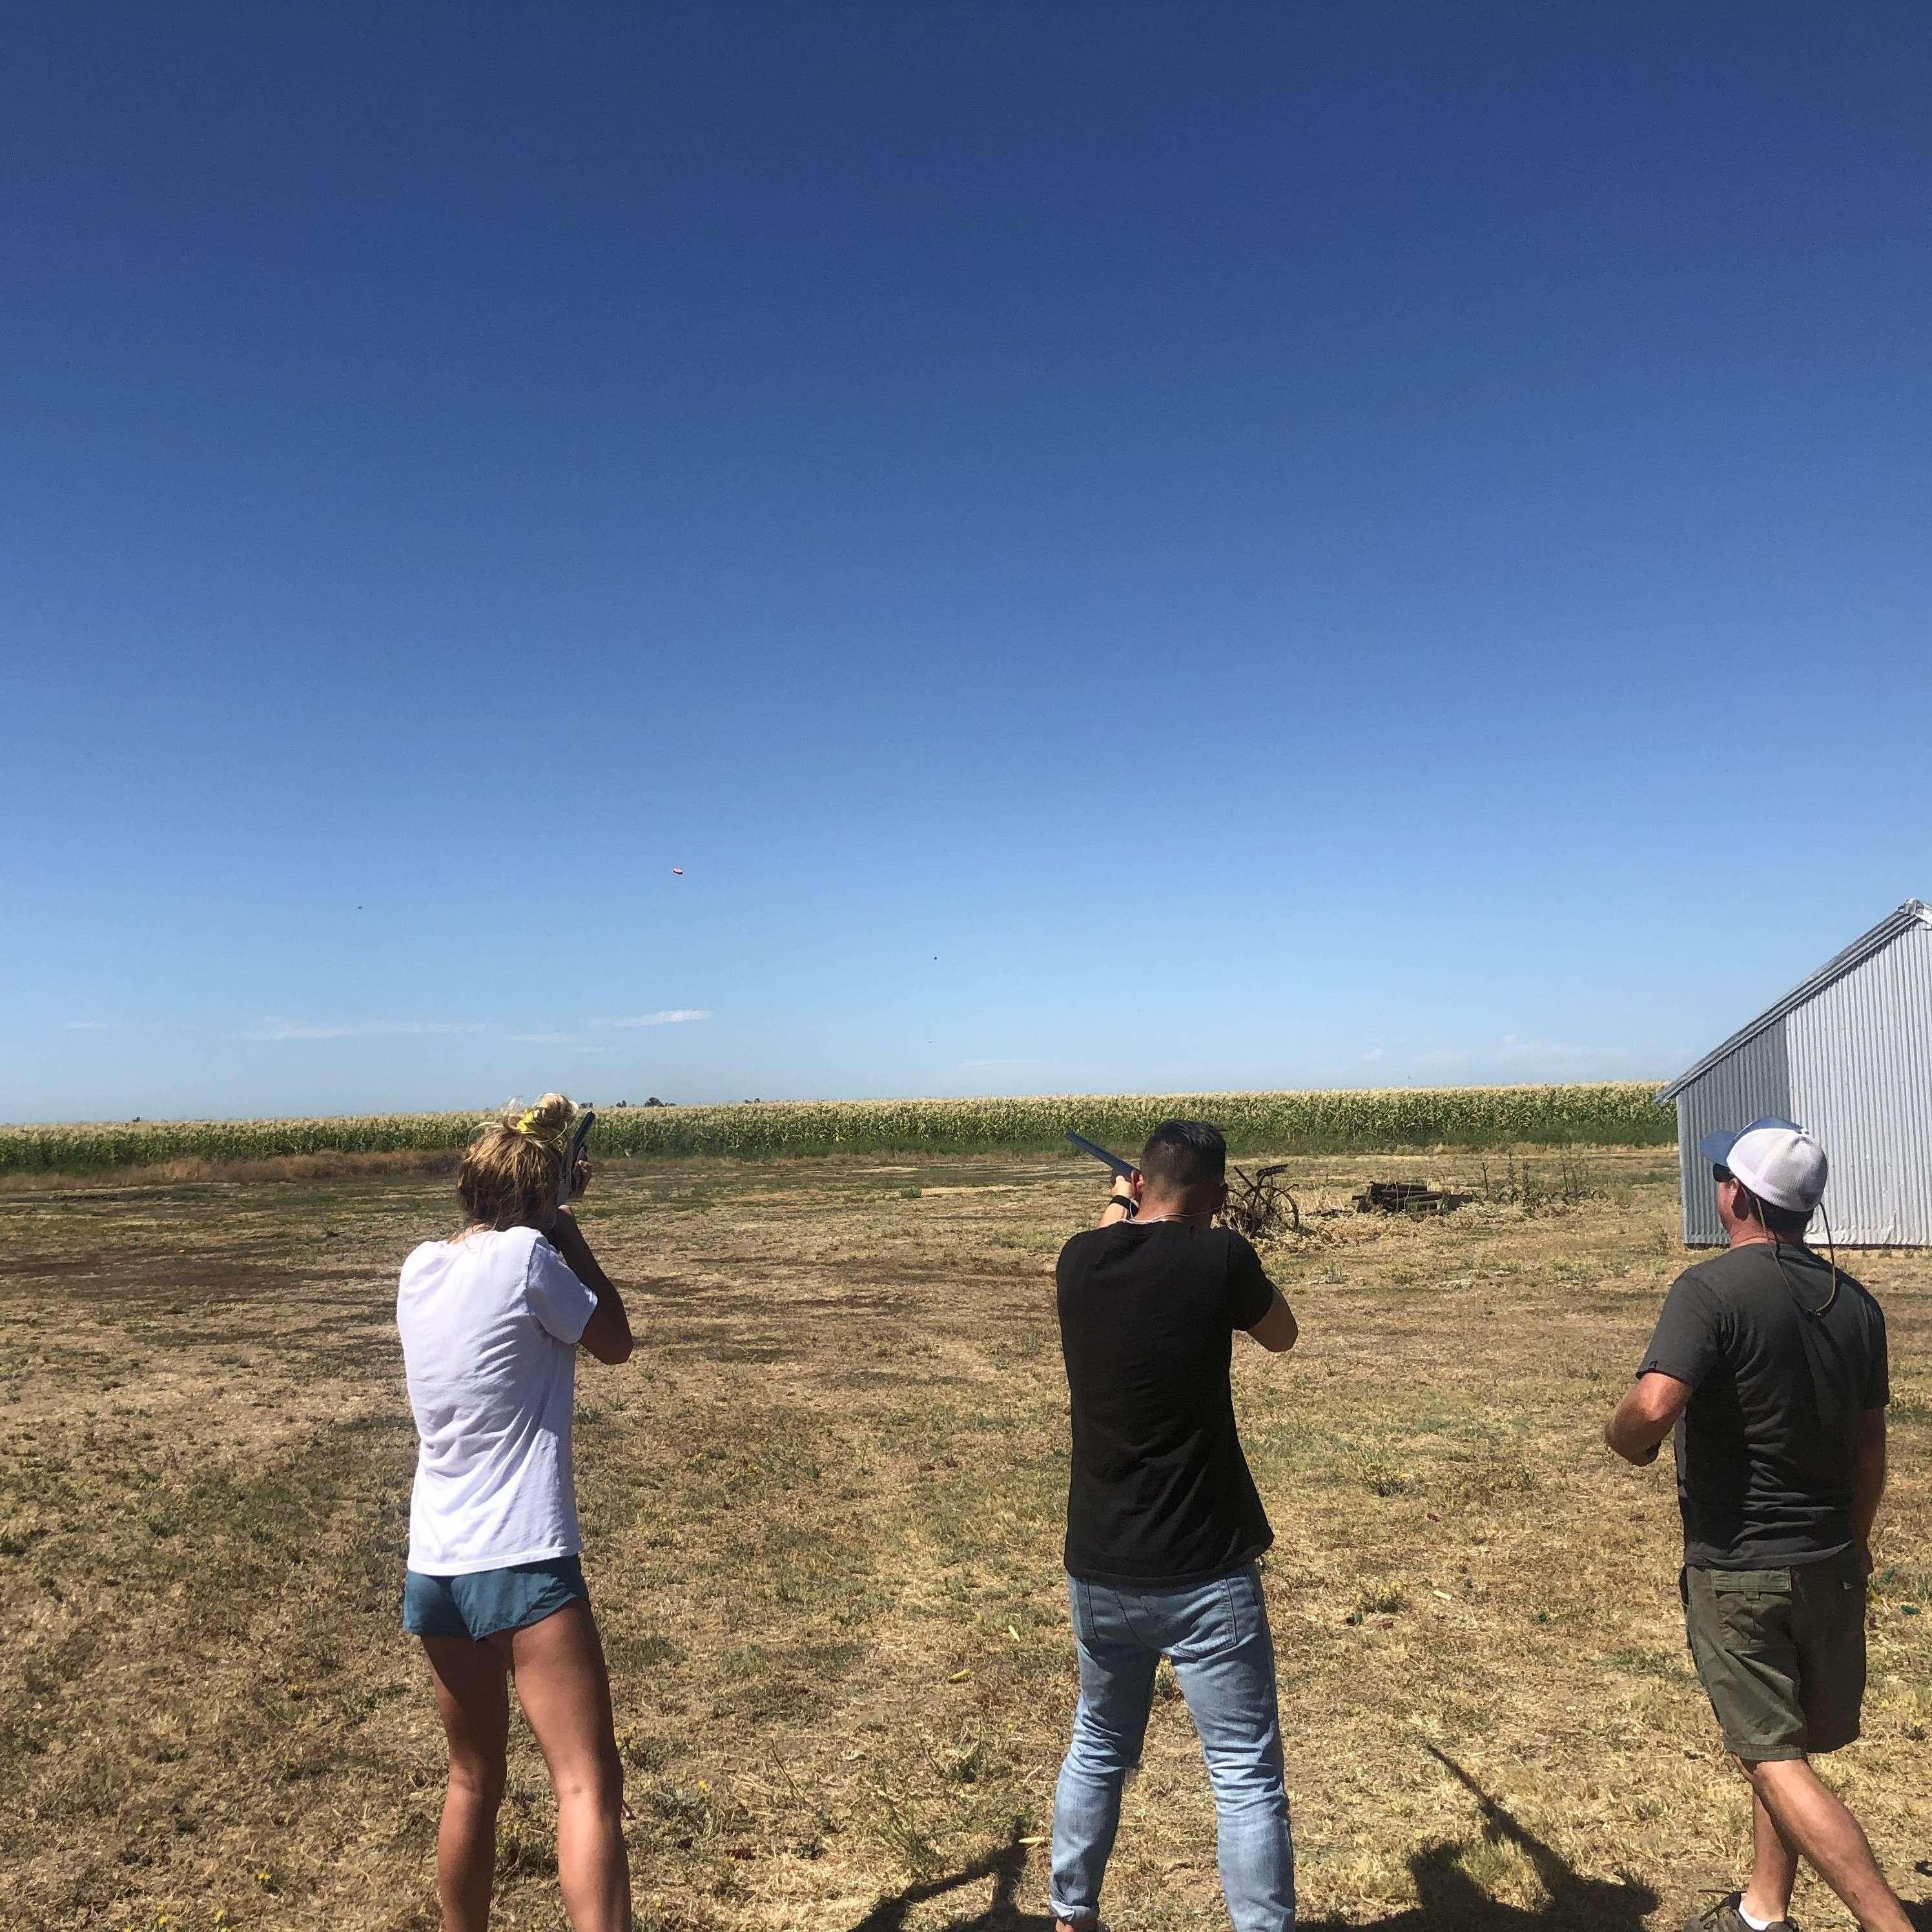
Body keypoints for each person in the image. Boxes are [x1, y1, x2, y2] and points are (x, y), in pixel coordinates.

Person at [1605, 1118, 1907, 1932]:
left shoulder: (1706, 1291)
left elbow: (1654, 1404)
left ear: (1736, 1194)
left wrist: (1622, 1439)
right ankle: (1762, 1911)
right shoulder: (1858, 1304)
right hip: (1832, 1560)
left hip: (1740, 1566)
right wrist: (1859, 1536)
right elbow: (1871, 1445)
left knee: (1768, 1756)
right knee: (1785, 1744)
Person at [1049, 1118, 1301, 1932]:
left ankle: (1069, 1913)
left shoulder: (1078, 1261)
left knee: (1097, 1745)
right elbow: (1282, 1334)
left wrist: (1121, 1210)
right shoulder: (1219, 1257)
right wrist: (1208, 1233)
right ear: (1217, 1197)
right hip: (1203, 1565)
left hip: (1100, 1563)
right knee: (1242, 1773)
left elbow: (1111, 1243)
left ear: (1139, 1183)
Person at [396, 1094, 635, 1932]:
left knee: (471, 1780)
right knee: (585, 1784)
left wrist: (546, 1215)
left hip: (436, 1564)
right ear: (542, 1200)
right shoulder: (534, 1261)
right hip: (524, 1556)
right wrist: (569, 1232)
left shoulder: (420, 1266)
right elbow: (614, 1338)